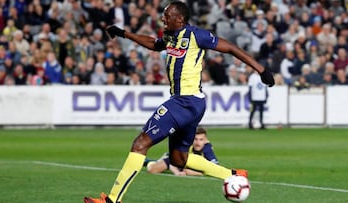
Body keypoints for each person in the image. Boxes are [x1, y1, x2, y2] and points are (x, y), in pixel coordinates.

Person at [83, 2, 274, 203]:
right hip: (190, 104)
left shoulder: (196, 35)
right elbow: (154, 44)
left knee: (140, 144)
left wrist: (261, 70)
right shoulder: (170, 36)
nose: (163, 19)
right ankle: (233, 174)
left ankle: (112, 199)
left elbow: (231, 48)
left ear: (179, 19)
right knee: (178, 159)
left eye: (167, 16)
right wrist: (123, 33)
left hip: (186, 101)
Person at [145, 127, 219, 176]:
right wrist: (177, 172)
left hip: (183, 163)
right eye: (195, 139)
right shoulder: (186, 145)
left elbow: (215, 167)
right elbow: (172, 163)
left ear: (206, 141)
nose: (198, 142)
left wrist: (197, 173)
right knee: (151, 169)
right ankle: (147, 162)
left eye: (201, 139)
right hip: (173, 158)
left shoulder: (207, 149)